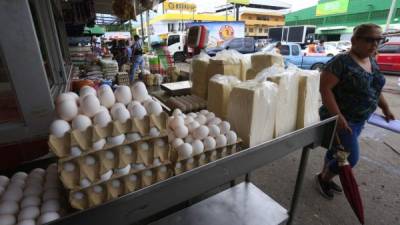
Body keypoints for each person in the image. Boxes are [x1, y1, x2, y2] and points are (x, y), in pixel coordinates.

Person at [316, 23, 395, 199]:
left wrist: (386, 107)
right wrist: (338, 116)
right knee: (350, 158)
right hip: (341, 119)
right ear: (354, 40)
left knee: (337, 150)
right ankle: (324, 178)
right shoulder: (341, 62)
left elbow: (375, 89)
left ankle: (324, 175)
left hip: (360, 119)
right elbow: (325, 89)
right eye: (369, 40)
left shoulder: (371, 60)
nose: (374, 45)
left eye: (378, 40)